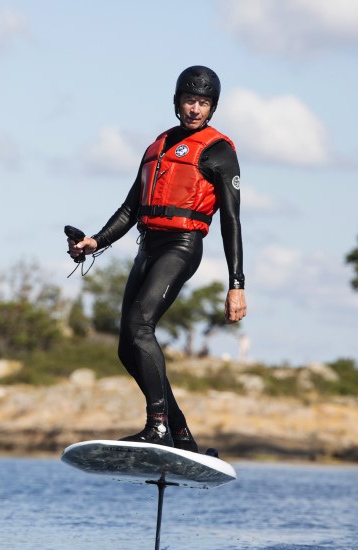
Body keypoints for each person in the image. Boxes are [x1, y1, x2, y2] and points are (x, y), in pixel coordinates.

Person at [67, 65, 246, 453]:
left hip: (181, 246)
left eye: (203, 103)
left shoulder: (219, 151)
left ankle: (158, 426)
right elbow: (130, 208)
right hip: (148, 246)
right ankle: (180, 435)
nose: (195, 109)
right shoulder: (158, 147)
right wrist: (95, 241)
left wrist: (236, 285)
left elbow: (231, 220)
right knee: (126, 346)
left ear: (212, 108)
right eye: (189, 100)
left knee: (140, 325)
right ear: (177, 102)